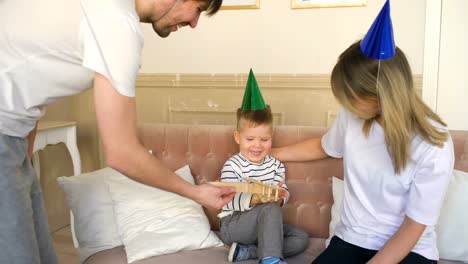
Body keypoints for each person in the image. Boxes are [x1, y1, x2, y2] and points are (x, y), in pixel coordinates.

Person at [0, 0, 235, 263]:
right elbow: (122, 153)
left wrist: (23, 155)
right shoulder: (116, 22)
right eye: (198, 8)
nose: (194, 22)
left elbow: (26, 78)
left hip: (13, 141)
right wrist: (196, 193)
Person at [271, 9, 454, 264]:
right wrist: (269, 154)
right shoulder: (352, 116)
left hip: (409, 248)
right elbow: (323, 147)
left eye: (350, 96)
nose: (344, 102)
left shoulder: (434, 143)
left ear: (380, 94)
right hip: (353, 239)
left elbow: (414, 226)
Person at [218, 70, 309, 264]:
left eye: (264, 139)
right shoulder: (232, 165)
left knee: (300, 238)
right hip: (234, 225)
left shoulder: (276, 165)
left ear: (271, 137)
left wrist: (282, 196)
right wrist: (255, 199)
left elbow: (282, 189)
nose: (257, 145)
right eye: (250, 139)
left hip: (264, 226)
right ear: (237, 137)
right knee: (268, 207)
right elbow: (226, 201)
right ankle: (270, 259)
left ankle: (248, 252)